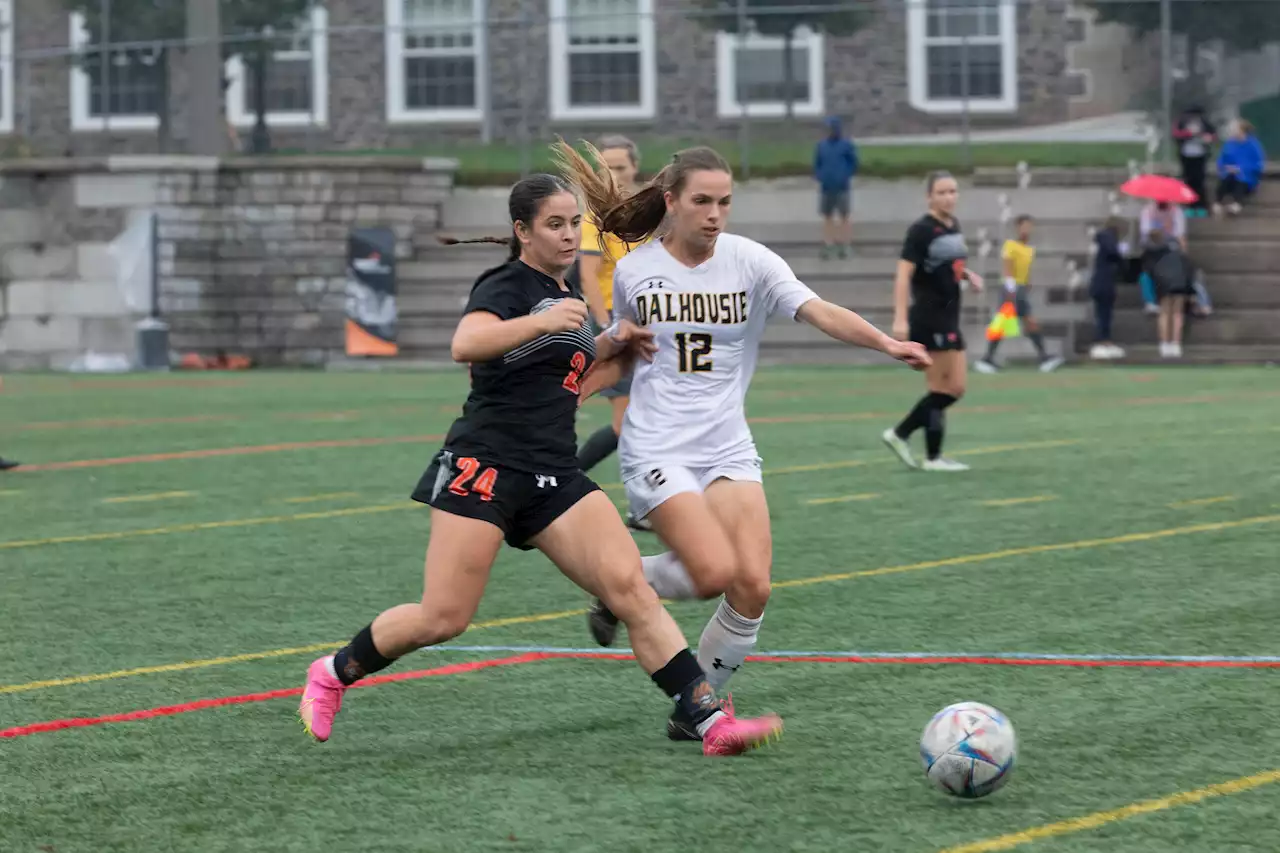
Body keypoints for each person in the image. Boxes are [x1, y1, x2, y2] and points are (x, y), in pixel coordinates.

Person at [297, 172, 784, 757]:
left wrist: (614, 338)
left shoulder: (570, 296)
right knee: (444, 616)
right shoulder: (506, 285)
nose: (569, 234)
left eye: (574, 222)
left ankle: (710, 723)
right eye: (555, 224)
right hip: (486, 465)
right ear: (522, 231)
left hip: (555, 474)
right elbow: (467, 343)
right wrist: (542, 321)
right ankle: (333, 671)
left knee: (631, 590)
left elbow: (562, 364)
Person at [553, 140, 929, 741]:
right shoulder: (636, 270)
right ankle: (624, 587)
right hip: (657, 445)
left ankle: (691, 706)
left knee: (751, 584)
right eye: (701, 201)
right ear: (671, 201)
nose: (714, 214)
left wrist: (887, 344)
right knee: (709, 573)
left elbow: (817, 308)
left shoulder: (752, 261)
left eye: (725, 203)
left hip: (726, 445)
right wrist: (566, 396)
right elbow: (626, 359)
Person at [881, 171, 984, 473]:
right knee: (946, 388)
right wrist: (899, 318)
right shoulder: (921, 230)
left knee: (950, 388)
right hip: (930, 316)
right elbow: (904, 275)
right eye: (942, 192)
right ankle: (907, 439)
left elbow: (947, 263)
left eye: (953, 191)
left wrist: (968, 274)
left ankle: (926, 452)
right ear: (929, 196)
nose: (949, 197)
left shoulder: (953, 226)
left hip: (949, 316)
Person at [574, 136, 646, 527]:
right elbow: (587, 275)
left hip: (647, 328)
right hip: (615, 328)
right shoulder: (595, 218)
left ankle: (646, 505)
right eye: (606, 168)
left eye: (620, 167)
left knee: (647, 421)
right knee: (627, 424)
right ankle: (564, 478)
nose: (613, 175)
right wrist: (609, 327)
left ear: (635, 168)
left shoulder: (647, 214)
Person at [974, 214, 1065, 374]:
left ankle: (1043, 358)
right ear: (1017, 228)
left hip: (1021, 288)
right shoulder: (1010, 246)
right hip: (1011, 289)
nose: (1027, 229)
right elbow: (1007, 268)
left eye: (1029, 226)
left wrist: (1027, 284)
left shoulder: (1029, 249)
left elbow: (1025, 271)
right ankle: (986, 359)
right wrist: (1011, 288)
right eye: (1024, 226)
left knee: (1029, 322)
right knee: (1003, 323)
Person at [1141, 227, 1196, 359]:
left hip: (1163, 283)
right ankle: (1176, 344)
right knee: (1177, 314)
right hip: (1179, 283)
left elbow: (1148, 271)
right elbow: (1188, 271)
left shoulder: (1152, 253)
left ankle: (1164, 344)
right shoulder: (1178, 252)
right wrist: (1191, 291)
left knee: (1164, 314)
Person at [813, 116, 859, 259]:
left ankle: (846, 245)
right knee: (828, 217)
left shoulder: (846, 145)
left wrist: (845, 175)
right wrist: (820, 176)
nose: (829, 131)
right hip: (826, 187)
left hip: (842, 186)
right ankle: (828, 244)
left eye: (831, 128)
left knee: (844, 217)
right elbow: (817, 163)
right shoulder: (821, 145)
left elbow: (854, 162)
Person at [1088, 217, 1129, 360]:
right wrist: (1121, 252)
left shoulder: (1106, 241)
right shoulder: (1106, 238)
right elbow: (1114, 253)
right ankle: (1101, 342)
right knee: (1103, 315)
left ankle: (1106, 341)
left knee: (1106, 315)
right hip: (1102, 283)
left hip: (1106, 283)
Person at [1137, 201, 1187, 313]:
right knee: (1145, 275)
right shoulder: (1147, 211)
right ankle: (1150, 302)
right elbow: (1146, 233)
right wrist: (1161, 230)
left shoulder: (1176, 212)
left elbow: (1179, 234)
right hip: (1152, 248)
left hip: (1170, 248)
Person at [1214, 119, 1266, 217]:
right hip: (1229, 175)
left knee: (1241, 181)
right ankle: (1218, 203)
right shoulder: (1229, 144)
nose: (1232, 131)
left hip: (1247, 178)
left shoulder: (1253, 145)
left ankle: (1236, 205)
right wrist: (1225, 167)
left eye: (1234, 129)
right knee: (1224, 181)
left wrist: (1240, 169)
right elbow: (1222, 159)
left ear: (1242, 130)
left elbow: (1258, 164)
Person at [1173, 106, 1216, 218]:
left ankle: (1201, 206)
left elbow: (1213, 135)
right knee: (1188, 180)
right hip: (1186, 156)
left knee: (1200, 181)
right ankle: (1190, 206)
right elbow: (1176, 134)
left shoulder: (1205, 124)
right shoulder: (1182, 123)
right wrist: (1188, 134)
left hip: (1200, 155)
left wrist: (1206, 137)